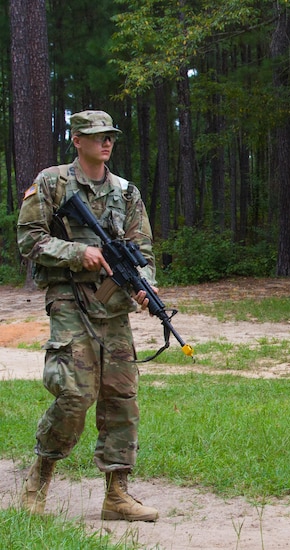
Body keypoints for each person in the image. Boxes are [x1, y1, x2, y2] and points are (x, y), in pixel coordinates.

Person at [17, 110, 159, 521]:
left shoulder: (127, 193)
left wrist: (144, 288)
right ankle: (38, 477)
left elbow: (143, 252)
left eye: (110, 136)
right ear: (77, 140)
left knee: (121, 396)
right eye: (97, 136)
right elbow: (29, 239)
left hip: (113, 307)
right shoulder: (52, 182)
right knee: (75, 392)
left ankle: (117, 494)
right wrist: (80, 253)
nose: (106, 142)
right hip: (68, 296)